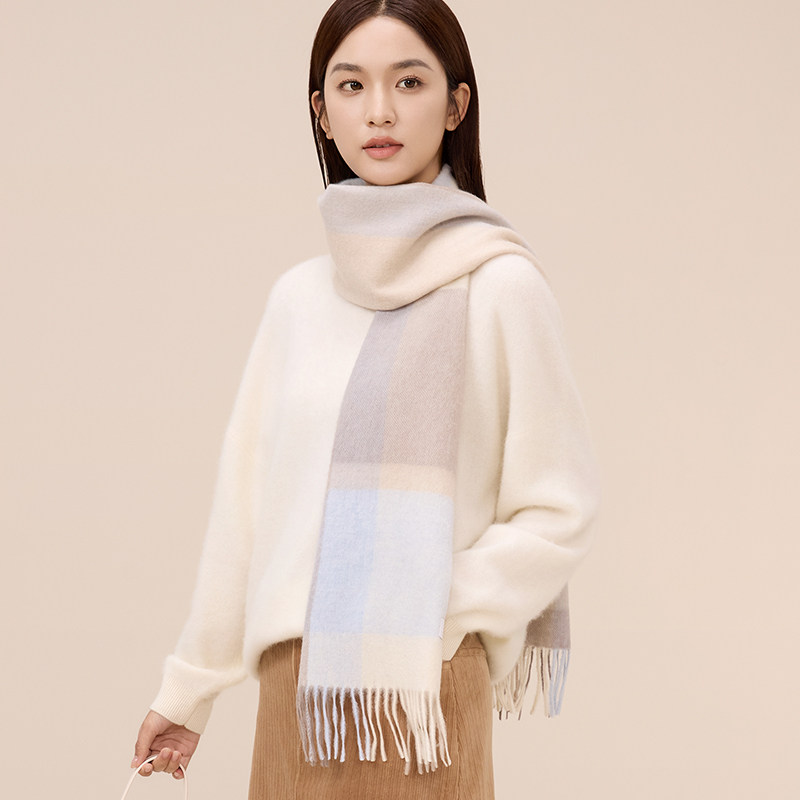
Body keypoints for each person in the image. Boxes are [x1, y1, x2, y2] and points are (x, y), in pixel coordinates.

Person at [130, 1, 599, 798]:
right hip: (295, 692)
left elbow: (562, 506)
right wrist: (188, 692)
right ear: (322, 112)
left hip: (424, 688)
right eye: (351, 86)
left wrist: (438, 601)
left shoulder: (500, 286)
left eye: (408, 82)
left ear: (455, 104)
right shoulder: (298, 299)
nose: (379, 111)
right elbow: (245, 515)